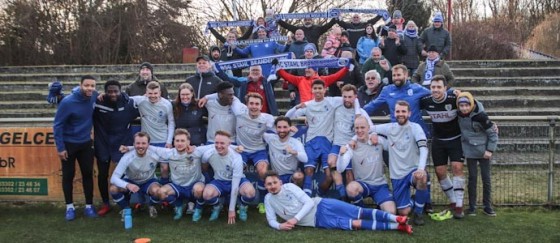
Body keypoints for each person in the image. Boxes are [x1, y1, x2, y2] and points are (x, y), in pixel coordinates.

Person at [263, 170, 412, 234]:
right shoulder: (268, 199)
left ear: (280, 182)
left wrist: (295, 219)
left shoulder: (289, 187)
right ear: (265, 186)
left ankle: (397, 218)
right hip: (319, 220)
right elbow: (270, 219)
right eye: (269, 184)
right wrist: (279, 225)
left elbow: (308, 203)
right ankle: (397, 227)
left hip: (322, 204)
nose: (272, 186)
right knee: (356, 223)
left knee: (360, 212)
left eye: (274, 182)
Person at [285, 80, 360, 196]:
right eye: (315, 88)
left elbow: (353, 99)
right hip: (311, 141)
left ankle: (320, 195)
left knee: (330, 175)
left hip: (327, 142)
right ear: (312, 90)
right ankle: (307, 197)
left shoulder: (332, 101)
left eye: (320, 88)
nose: (318, 91)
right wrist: (297, 107)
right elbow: (287, 117)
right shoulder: (308, 105)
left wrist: (358, 115)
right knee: (309, 170)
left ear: (325, 89)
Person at [374, 101, 430, 225]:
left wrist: (420, 169)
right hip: (397, 175)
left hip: (413, 170)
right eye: (398, 111)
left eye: (403, 111)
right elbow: (368, 128)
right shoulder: (389, 128)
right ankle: (415, 199)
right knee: (403, 212)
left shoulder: (415, 127)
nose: (400, 114)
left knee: (422, 177)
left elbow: (423, 148)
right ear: (394, 113)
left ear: (409, 113)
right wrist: (372, 135)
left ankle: (418, 213)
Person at [53, 75, 98, 221]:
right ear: (80, 85)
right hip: (69, 144)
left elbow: (102, 96)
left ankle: (89, 206)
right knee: (68, 175)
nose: (90, 88)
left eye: (92, 86)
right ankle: (69, 207)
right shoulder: (67, 102)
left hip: (85, 143)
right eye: (87, 85)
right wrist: (60, 148)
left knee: (87, 174)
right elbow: (58, 125)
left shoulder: (94, 96)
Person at [419, 75, 465, 219]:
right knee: (440, 173)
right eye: (433, 87)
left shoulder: (454, 98)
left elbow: (471, 104)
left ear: (446, 88)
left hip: (456, 139)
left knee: (457, 168)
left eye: (439, 87)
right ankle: (453, 201)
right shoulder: (426, 101)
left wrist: (489, 124)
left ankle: (459, 205)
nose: (436, 90)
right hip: (438, 141)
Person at [93, 80, 139, 216]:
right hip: (103, 144)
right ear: (105, 92)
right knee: (103, 175)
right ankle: (106, 203)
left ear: (121, 91)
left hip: (122, 144)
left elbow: (147, 103)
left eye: (115, 91)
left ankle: (126, 203)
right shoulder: (98, 102)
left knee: (126, 175)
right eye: (110, 91)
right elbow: (81, 96)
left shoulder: (128, 103)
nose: (113, 94)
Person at [337, 116, 396, 214]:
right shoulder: (352, 146)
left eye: (362, 127)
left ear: (369, 128)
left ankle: (379, 205)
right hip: (363, 185)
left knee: (391, 212)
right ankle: (363, 211)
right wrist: (341, 155)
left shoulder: (378, 140)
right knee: (351, 188)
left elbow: (394, 147)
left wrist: (375, 133)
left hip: (380, 185)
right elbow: (340, 169)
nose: (359, 131)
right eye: (357, 128)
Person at [457, 92, 499, 217]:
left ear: (472, 104)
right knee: (472, 179)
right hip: (470, 151)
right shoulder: (458, 115)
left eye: (467, 105)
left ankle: (487, 206)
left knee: (486, 179)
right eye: (461, 105)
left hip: (483, 152)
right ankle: (472, 207)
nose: (464, 108)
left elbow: (493, 134)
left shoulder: (481, 116)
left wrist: (490, 150)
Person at [327, 85, 372, 199]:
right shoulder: (336, 108)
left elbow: (371, 128)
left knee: (349, 174)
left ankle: (351, 200)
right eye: (345, 97)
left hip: (351, 145)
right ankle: (341, 192)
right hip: (337, 143)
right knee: (331, 162)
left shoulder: (361, 112)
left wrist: (355, 139)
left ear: (355, 97)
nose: (347, 99)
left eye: (350, 97)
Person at [202, 130, 256, 224]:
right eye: (216, 142)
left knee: (250, 193)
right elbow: (203, 163)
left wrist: (231, 210)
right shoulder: (208, 153)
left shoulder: (236, 157)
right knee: (207, 195)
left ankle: (242, 206)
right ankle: (217, 206)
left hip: (237, 181)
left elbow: (235, 186)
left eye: (222, 143)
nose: (219, 146)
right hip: (219, 181)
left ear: (229, 144)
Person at [363, 64, 431, 137]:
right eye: (394, 75)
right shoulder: (387, 90)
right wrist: (359, 112)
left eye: (398, 75)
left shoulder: (417, 88)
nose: (396, 78)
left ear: (406, 75)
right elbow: (373, 105)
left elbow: (435, 94)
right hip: (398, 133)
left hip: (416, 133)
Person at [110, 132, 164, 219]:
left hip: (148, 181)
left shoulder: (155, 154)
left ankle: (151, 206)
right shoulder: (127, 157)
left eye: (143, 143)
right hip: (131, 180)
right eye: (138, 143)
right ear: (134, 144)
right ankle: (126, 209)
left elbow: (172, 153)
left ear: (148, 144)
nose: (140, 146)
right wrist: (127, 185)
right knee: (113, 189)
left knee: (158, 191)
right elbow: (113, 178)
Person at [275, 59, 349, 103]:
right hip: (304, 109)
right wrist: (277, 66)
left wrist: (347, 67)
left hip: (319, 108)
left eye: (309, 68)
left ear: (315, 71)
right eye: (306, 68)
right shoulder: (300, 79)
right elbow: (286, 76)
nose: (306, 70)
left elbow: (337, 75)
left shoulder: (323, 79)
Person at [263, 116, 306, 187]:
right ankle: (264, 197)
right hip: (276, 176)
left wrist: (294, 152)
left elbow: (305, 159)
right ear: (275, 128)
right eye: (279, 127)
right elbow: (258, 131)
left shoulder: (295, 142)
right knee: (263, 173)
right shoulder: (270, 138)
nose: (282, 130)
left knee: (299, 176)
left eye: (285, 127)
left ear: (290, 127)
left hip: (290, 176)